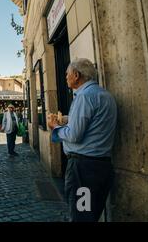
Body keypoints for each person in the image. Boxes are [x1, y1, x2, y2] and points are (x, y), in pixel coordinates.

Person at [48, 58, 117, 222]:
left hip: (83, 170)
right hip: (102, 166)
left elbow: (74, 135)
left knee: (81, 217)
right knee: (90, 216)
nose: (65, 77)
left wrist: (55, 127)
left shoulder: (84, 97)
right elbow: (92, 123)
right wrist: (66, 119)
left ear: (76, 75)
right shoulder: (104, 95)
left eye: (67, 74)